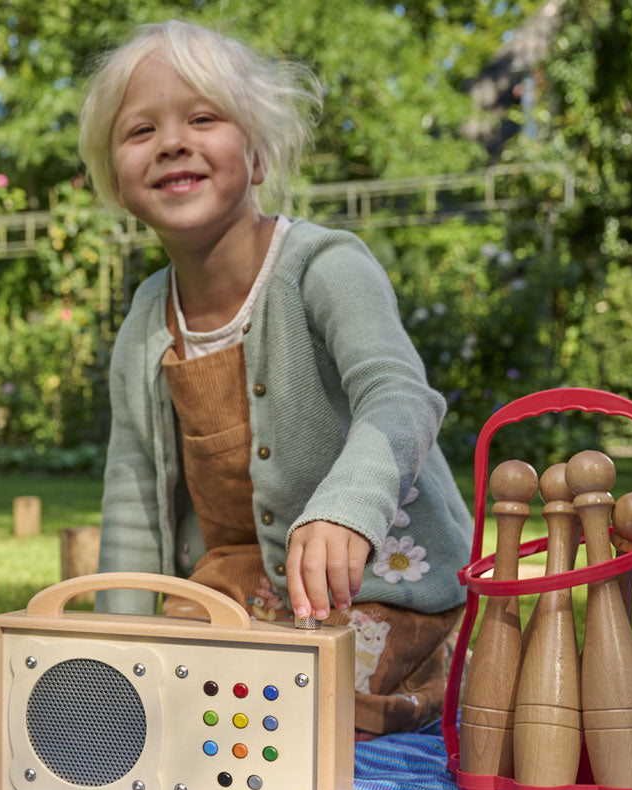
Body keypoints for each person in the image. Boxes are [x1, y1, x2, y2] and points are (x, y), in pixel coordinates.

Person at [78, 20, 473, 737]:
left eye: (203, 118)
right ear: (115, 179)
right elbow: (133, 495)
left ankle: (441, 667)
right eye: (141, 130)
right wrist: (117, 656)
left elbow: (400, 396)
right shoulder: (143, 322)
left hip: (376, 588)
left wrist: (345, 509)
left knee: (302, 712)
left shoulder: (325, 267)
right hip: (233, 594)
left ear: (258, 157)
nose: (172, 142)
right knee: (165, 709)